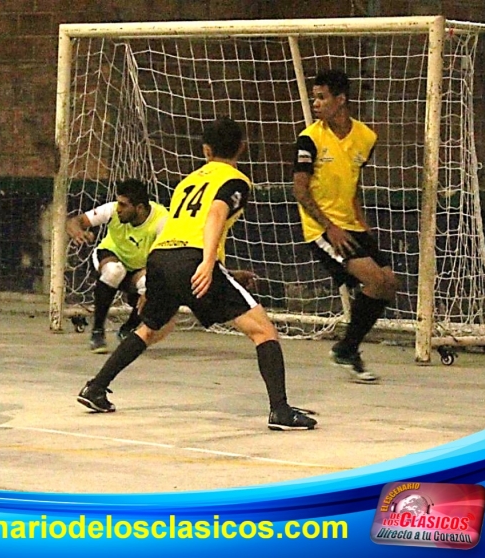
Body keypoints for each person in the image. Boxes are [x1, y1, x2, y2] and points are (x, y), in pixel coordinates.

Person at [77, 117, 317, 431]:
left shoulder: (187, 182)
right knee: (263, 331)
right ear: (242, 147)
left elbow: (182, 229)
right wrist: (207, 263)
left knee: (150, 328)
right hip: (193, 259)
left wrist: (209, 270)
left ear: (205, 149)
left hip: (161, 259)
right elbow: (216, 213)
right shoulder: (235, 180)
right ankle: (280, 411)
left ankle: (96, 388)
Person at [292, 69, 398, 384]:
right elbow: (300, 190)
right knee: (374, 279)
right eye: (314, 98)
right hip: (321, 228)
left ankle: (347, 349)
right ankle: (347, 349)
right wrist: (331, 227)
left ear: (341, 100)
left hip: (351, 224)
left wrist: (363, 228)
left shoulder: (365, 138)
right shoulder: (309, 139)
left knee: (389, 282)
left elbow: (353, 187)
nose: (316, 104)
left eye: (322, 97)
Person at [66, 179, 168, 353]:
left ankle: (128, 328)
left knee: (150, 284)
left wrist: (152, 286)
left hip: (141, 267)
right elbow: (75, 221)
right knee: (114, 271)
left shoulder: (162, 220)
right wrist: (78, 231)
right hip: (111, 256)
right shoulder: (111, 210)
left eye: (124, 205)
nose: (118, 208)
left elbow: (162, 259)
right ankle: (97, 331)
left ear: (140, 208)